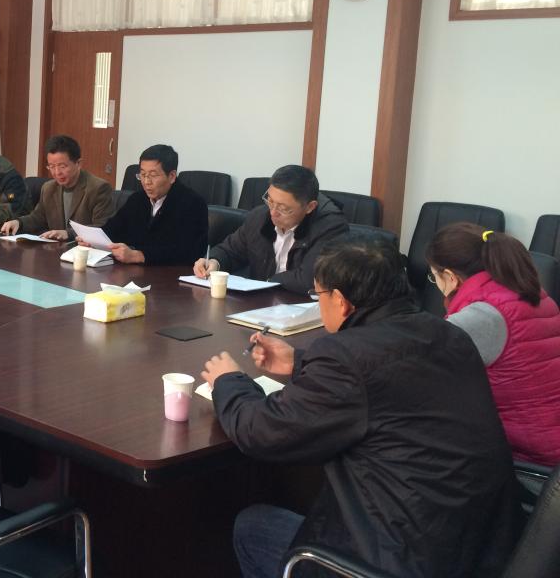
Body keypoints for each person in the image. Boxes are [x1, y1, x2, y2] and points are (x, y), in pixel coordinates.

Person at [201, 235, 519, 578]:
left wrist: (228, 381)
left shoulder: (345, 357)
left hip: (397, 559)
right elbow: (388, 380)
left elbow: (263, 432)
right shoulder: (447, 334)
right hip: (479, 549)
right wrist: (300, 362)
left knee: (253, 527)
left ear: (340, 301)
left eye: (318, 295)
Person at [426, 222, 560, 466]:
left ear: (450, 277)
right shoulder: (533, 294)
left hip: (531, 460)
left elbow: (421, 371)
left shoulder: (482, 315)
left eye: (434, 277)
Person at [193, 165, 347, 294]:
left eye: (283, 208)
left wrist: (267, 282)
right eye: (270, 201)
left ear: (310, 207)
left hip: (302, 308)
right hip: (260, 304)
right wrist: (214, 261)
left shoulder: (330, 228)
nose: (273, 212)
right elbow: (230, 250)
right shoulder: (259, 217)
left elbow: (309, 279)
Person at [93, 144, 207, 265]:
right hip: (133, 272)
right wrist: (93, 241)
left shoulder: (193, 204)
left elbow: (190, 251)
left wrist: (140, 255)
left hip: (171, 274)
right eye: (142, 175)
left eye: (153, 175)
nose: (146, 182)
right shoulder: (137, 199)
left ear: (172, 176)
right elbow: (113, 229)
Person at [0, 135, 113, 240]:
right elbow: (38, 218)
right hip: (55, 250)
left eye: (62, 166)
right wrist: (19, 222)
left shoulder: (98, 188)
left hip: (85, 250)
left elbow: (102, 227)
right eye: (52, 166)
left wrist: (68, 233)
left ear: (78, 163)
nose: (57, 172)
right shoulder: (48, 188)